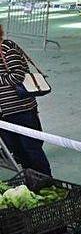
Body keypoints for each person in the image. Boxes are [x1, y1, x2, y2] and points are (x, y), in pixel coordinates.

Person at [0, 24, 52, 176]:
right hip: (4, 114)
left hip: (22, 110)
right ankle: (31, 179)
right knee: (16, 150)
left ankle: (46, 179)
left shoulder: (7, 49)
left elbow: (18, 75)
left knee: (31, 148)